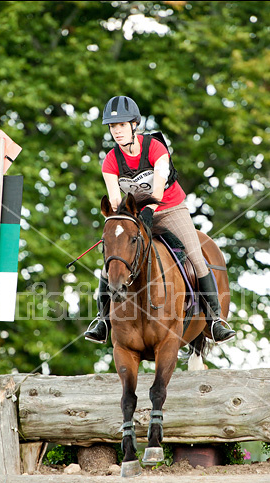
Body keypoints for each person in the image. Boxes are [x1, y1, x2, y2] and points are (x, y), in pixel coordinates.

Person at [84, 95, 235, 344]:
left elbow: (159, 188)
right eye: (113, 127)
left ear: (134, 125)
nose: (117, 131)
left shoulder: (155, 148)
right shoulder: (111, 160)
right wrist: (119, 221)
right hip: (135, 215)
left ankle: (216, 320)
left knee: (197, 258)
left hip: (171, 208)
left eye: (122, 125)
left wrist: (148, 210)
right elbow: (113, 200)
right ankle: (102, 321)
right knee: (110, 263)